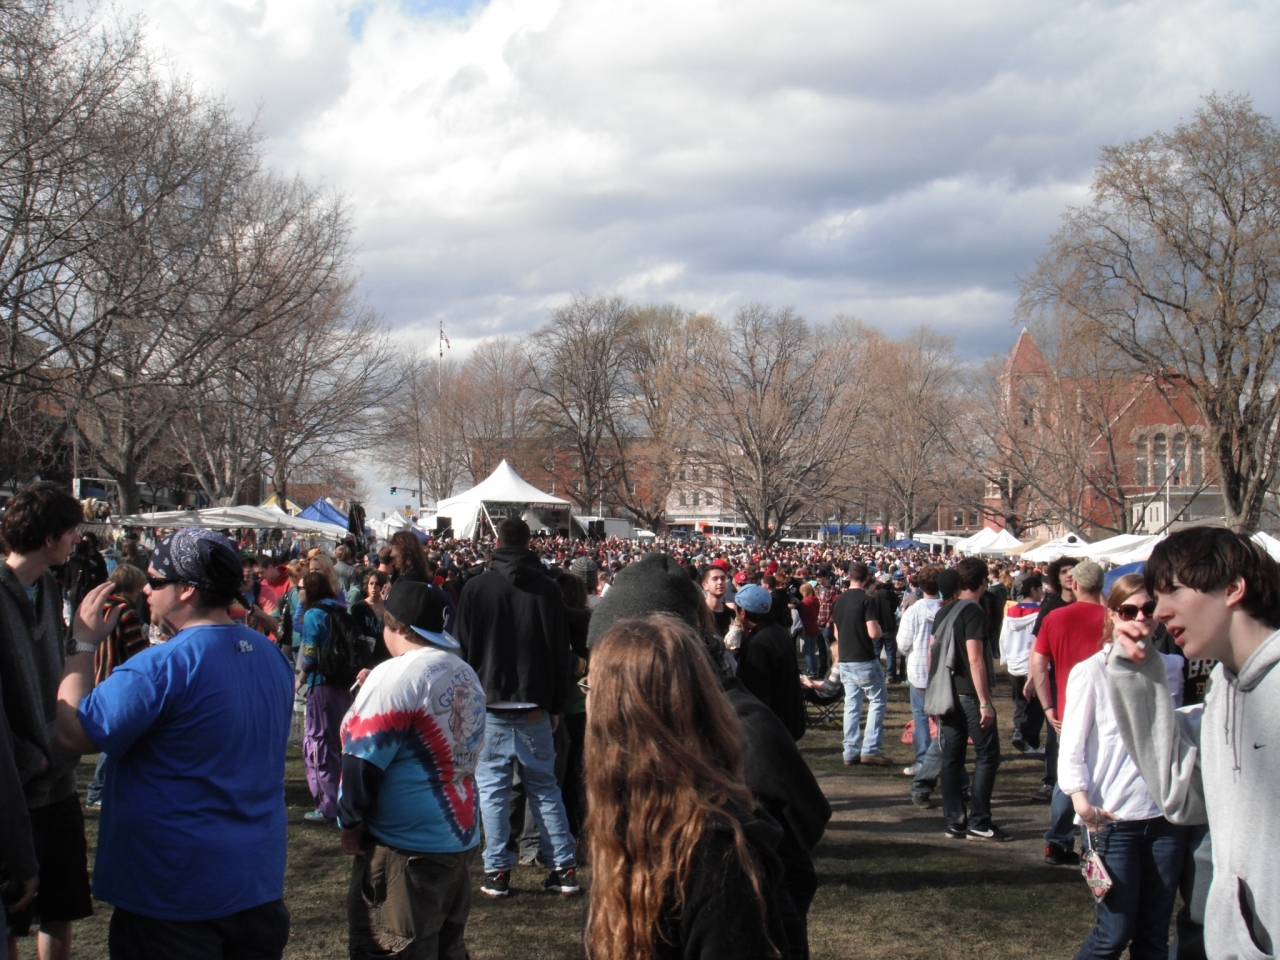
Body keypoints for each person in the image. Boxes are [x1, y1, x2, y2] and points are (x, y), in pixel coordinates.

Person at [54, 526, 294, 959]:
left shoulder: (162, 666)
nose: (146, 589)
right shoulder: (269, 655)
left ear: (187, 589)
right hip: (256, 884)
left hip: (174, 895)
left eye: (156, 580)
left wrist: (82, 644)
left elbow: (73, 731)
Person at [585, 551, 830, 960]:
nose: (593, 702)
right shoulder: (635, 781)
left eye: (599, 685)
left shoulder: (742, 730)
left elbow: (789, 873)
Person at [1107, 527, 1279, 960]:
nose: (1158, 612)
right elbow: (1181, 797)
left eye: (1173, 592)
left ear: (1233, 588)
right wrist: (1134, 678)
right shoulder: (1223, 685)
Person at [583, 614, 789, 960]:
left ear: (619, 714)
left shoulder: (714, 853)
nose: (586, 702)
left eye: (590, 688)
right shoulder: (625, 818)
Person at [338, 581, 487, 960]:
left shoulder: (397, 676)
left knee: (395, 944)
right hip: (457, 837)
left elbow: (362, 760)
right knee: (446, 946)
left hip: (407, 849)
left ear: (397, 626)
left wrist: (350, 822)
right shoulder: (464, 672)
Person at [1060, 574, 1189, 960]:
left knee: (1153, 935)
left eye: (1148, 609)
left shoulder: (1171, 667)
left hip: (1164, 817)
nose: (1140, 618)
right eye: (1129, 610)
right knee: (1113, 933)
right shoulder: (1091, 671)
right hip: (1113, 819)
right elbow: (1072, 744)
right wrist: (1083, 805)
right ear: (1112, 614)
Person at [454, 518, 577, 898]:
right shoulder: (547, 590)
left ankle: (498, 871)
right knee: (543, 788)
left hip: (493, 702)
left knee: (493, 789)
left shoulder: (478, 588)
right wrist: (556, 703)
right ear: (528, 543)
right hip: (531, 703)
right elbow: (561, 652)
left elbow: (462, 648)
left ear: (496, 542)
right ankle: (563, 867)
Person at [0, 483, 94, 960]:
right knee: (13, 914)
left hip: (58, 787)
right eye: (72, 531)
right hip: (13, 789)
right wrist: (24, 758)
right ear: (49, 536)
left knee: (61, 905)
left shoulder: (50, 588)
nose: (77, 539)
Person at [1032, 559, 1108, 864]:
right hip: (1106, 709)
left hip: (1067, 709)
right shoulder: (1113, 618)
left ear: (1073, 584)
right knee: (1100, 774)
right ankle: (1096, 843)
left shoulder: (1055, 617)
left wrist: (1047, 706)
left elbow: (1038, 664)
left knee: (1070, 776)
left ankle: (1059, 840)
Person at [935, 556, 1009, 841]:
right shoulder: (973, 611)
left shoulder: (945, 611)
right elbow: (976, 659)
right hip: (968, 693)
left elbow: (933, 652)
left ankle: (954, 820)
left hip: (947, 692)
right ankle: (980, 820)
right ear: (982, 581)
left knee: (952, 757)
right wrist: (985, 701)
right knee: (988, 755)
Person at [84, 563, 150, 809]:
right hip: (116, 677)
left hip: (94, 673)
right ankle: (97, 789)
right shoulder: (125, 611)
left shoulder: (97, 606)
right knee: (116, 734)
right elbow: (138, 651)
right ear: (134, 587)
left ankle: (103, 788)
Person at [297, 571, 353, 823]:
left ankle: (327, 804)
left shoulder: (313, 615)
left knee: (319, 743)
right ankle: (343, 798)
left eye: (301, 587)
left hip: (321, 684)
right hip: (343, 685)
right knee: (339, 742)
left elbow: (310, 653)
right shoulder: (340, 610)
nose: (298, 592)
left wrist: (300, 677)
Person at [830, 561, 891, 767]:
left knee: (851, 705)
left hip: (846, 657)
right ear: (867, 579)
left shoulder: (838, 601)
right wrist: (880, 630)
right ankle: (871, 749)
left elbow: (836, 632)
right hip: (863, 657)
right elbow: (873, 633)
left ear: (849, 577)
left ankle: (850, 751)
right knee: (877, 701)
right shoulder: (867, 601)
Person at [732, 584, 806, 741]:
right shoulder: (779, 632)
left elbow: (755, 692)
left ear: (743, 613)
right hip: (788, 720)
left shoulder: (758, 644)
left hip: (770, 728)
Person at [895, 566, 942, 777]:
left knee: (921, 716)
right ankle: (937, 757)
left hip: (920, 669)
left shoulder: (913, 612)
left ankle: (925, 759)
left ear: (921, 586)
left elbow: (903, 645)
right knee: (940, 717)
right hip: (940, 670)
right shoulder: (946, 608)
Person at [1000, 574, 1045, 756]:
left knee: (1019, 702)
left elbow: (1003, 638)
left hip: (1014, 663)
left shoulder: (1011, 612)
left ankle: (1019, 731)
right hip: (1031, 663)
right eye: (1041, 589)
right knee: (1035, 705)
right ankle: (1030, 740)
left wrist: (1005, 658)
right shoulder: (1040, 613)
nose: (1042, 592)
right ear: (1033, 589)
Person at [700, 563, 734, 638]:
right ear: (705, 586)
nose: (720, 582)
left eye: (723, 578)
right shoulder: (698, 614)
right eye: (715, 579)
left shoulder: (732, 614)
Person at [797, 583, 822, 678]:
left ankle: (811, 670)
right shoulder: (816, 600)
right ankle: (815, 670)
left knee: (807, 651)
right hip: (814, 626)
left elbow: (803, 615)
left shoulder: (805, 602)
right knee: (812, 650)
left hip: (807, 627)